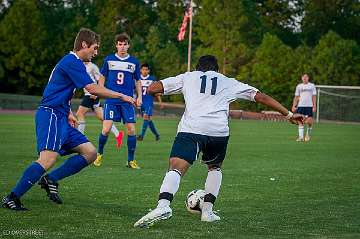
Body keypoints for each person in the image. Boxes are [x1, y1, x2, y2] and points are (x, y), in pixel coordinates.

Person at [133, 55, 303, 228]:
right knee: (214, 167)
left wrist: (172, 91)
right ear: (217, 70)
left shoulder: (188, 77)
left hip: (192, 128)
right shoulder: (228, 81)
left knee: (176, 167)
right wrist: (288, 115)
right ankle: (207, 212)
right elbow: (261, 97)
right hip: (218, 131)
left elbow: (153, 88)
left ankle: (163, 206)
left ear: (197, 68)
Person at [1, 28, 135, 211]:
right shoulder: (72, 61)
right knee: (47, 159)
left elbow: (60, 88)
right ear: (84, 45)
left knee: (90, 153)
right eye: (95, 48)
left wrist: (69, 112)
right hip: (51, 114)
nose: (96, 53)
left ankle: (51, 179)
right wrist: (122, 96)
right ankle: (12, 197)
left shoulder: (75, 62)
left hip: (61, 115)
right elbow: (93, 89)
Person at [94, 33, 142, 169]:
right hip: (111, 100)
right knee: (106, 128)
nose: (122, 47)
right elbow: (102, 76)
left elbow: (138, 81)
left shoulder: (134, 62)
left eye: (125, 44)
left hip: (127, 101)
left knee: (131, 130)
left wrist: (140, 97)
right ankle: (99, 154)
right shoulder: (109, 60)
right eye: (119, 44)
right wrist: (100, 90)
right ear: (116, 45)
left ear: (128, 45)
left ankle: (130, 161)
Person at [75, 61, 124, 151]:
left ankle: (80, 139)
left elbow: (99, 79)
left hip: (91, 94)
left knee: (79, 114)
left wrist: (97, 92)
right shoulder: (81, 66)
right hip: (89, 94)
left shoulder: (93, 66)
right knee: (102, 118)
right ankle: (118, 134)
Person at [137, 63, 162, 141]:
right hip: (141, 102)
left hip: (149, 102)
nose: (145, 71)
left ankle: (141, 136)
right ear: (141, 70)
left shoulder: (152, 79)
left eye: (146, 69)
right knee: (148, 120)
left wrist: (160, 102)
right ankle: (157, 134)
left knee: (146, 117)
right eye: (143, 69)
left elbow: (156, 91)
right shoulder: (137, 79)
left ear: (149, 71)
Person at [291, 73, 316, 142]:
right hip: (301, 106)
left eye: (306, 77)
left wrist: (314, 106)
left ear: (308, 78)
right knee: (300, 121)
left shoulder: (312, 86)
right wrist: (294, 105)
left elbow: (314, 96)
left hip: (309, 106)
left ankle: (308, 134)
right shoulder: (299, 86)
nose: (305, 78)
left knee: (309, 122)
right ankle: (301, 137)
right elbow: (296, 97)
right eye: (303, 77)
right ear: (301, 78)